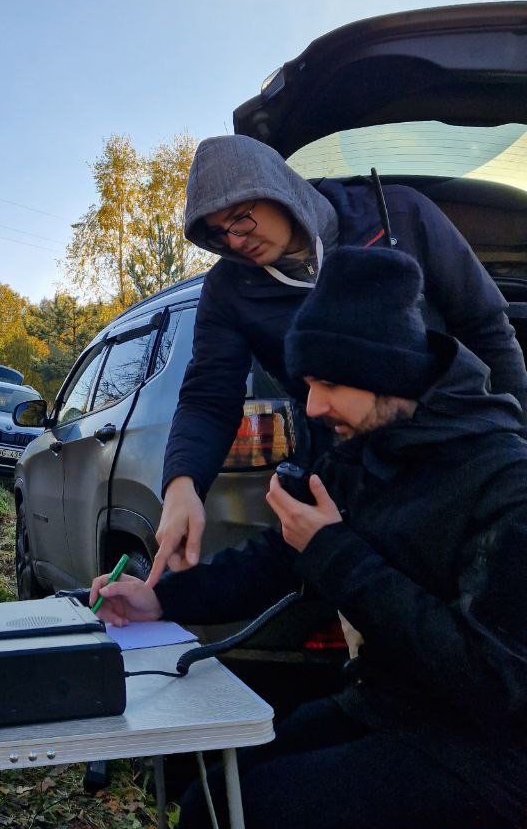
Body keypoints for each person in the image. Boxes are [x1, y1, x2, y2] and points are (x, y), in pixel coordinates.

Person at [91, 247, 527, 829]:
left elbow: (497, 682)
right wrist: (160, 600)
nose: (313, 405)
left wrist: (336, 552)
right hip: (387, 707)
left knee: (262, 820)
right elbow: (278, 556)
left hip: (487, 744)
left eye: (326, 383)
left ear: (383, 370)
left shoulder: (504, 480)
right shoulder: (365, 451)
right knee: (214, 808)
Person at [149, 134, 527, 586]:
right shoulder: (229, 291)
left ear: (278, 189)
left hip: (458, 454)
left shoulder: (399, 214)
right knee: (374, 610)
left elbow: (485, 326)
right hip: (352, 475)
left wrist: (514, 440)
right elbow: (208, 397)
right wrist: (182, 485)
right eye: (217, 233)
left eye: (241, 218)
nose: (234, 239)